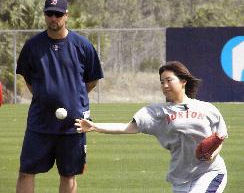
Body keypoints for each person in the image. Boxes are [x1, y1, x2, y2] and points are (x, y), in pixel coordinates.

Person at [75, 61, 228, 193]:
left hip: (210, 172)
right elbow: (128, 128)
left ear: (183, 81)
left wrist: (212, 154)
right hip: (180, 179)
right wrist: (95, 126)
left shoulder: (207, 109)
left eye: (169, 80)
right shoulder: (157, 112)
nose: (165, 85)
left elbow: (219, 137)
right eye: (162, 82)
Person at [16, 0, 103, 193]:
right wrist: (45, 96)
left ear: (66, 16)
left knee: (68, 175)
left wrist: (72, 98)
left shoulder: (83, 46)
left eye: (57, 14)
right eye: (49, 14)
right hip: (40, 123)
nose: (53, 18)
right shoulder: (32, 46)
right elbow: (29, 80)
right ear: (44, 15)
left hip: (72, 125)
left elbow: (92, 80)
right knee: (26, 171)